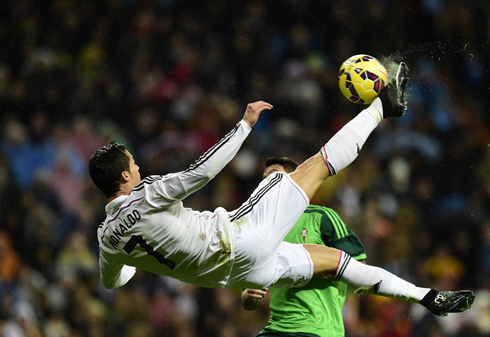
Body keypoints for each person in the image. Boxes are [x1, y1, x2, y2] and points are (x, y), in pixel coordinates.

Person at [89, 62, 474, 317]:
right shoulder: (148, 194)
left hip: (246, 275)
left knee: (335, 263)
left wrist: (133, 263)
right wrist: (245, 124)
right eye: (133, 163)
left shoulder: (107, 239)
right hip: (239, 238)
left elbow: (113, 280)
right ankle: (383, 108)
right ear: (124, 177)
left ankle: (427, 297)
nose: (139, 166)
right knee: (311, 168)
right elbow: (201, 173)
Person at [241, 157, 367, 337]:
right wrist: (250, 296)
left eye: (274, 176)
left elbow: (360, 266)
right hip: (277, 328)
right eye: (264, 178)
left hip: (317, 329)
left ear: (295, 182)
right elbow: (247, 300)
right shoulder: (259, 229)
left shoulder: (322, 217)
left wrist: (312, 266)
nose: (267, 182)